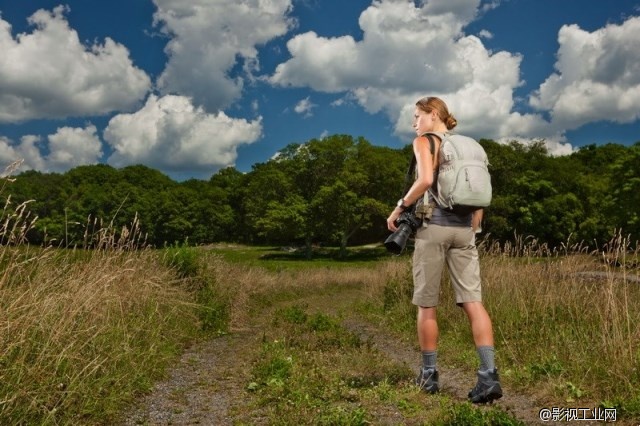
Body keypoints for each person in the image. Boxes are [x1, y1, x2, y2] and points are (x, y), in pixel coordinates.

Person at [386, 96, 502, 404]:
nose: (414, 123)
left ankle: (429, 375)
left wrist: (399, 208)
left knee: (427, 304)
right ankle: (488, 377)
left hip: (433, 228)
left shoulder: (426, 141)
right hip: (465, 230)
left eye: (417, 116)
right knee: (473, 302)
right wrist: (472, 230)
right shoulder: (469, 147)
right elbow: (479, 197)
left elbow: (425, 180)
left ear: (434, 114)